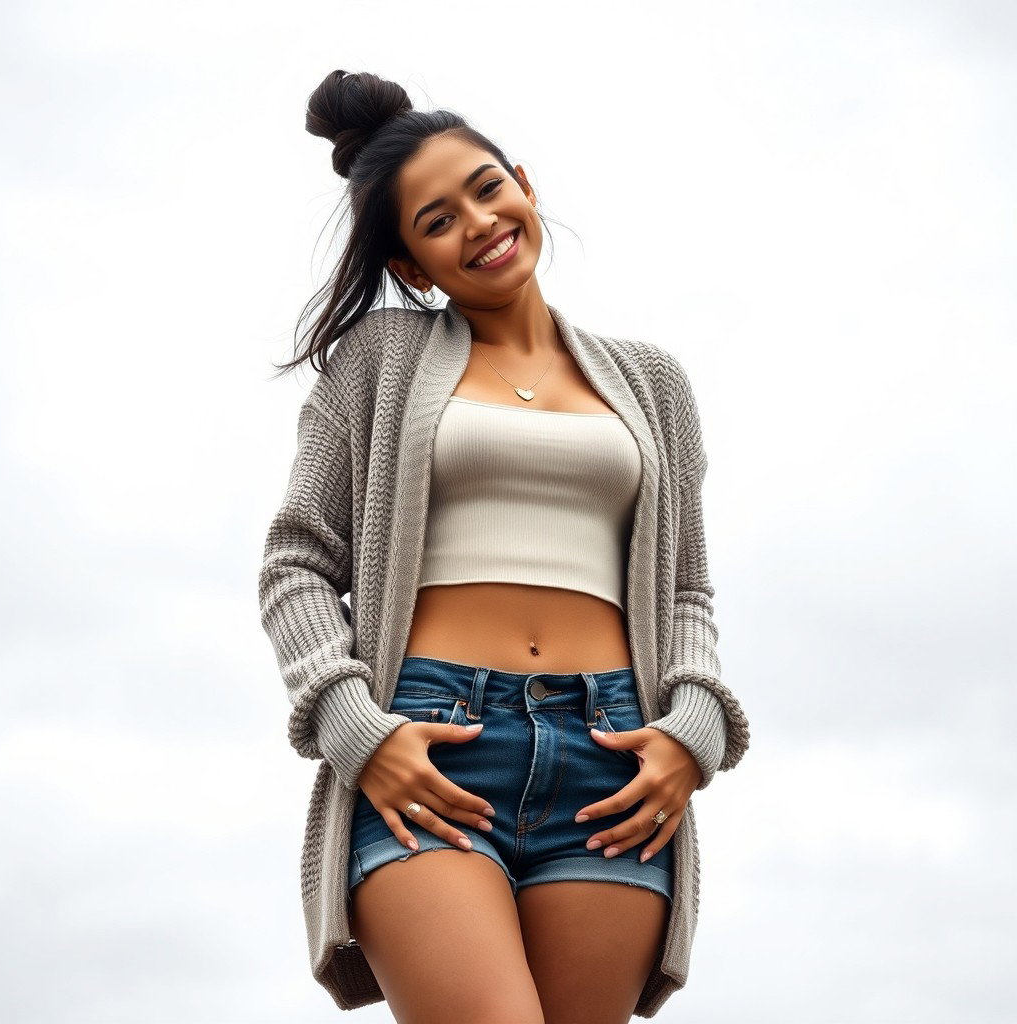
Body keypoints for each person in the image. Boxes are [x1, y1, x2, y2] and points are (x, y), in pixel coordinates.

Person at [258, 69, 751, 1023]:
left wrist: (695, 732)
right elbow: (295, 567)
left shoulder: (652, 382)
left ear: (523, 182)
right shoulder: (379, 362)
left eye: (487, 188)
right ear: (411, 266)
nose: (479, 223)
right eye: (437, 221)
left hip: (610, 758)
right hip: (432, 748)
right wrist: (359, 732)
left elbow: (686, 590)